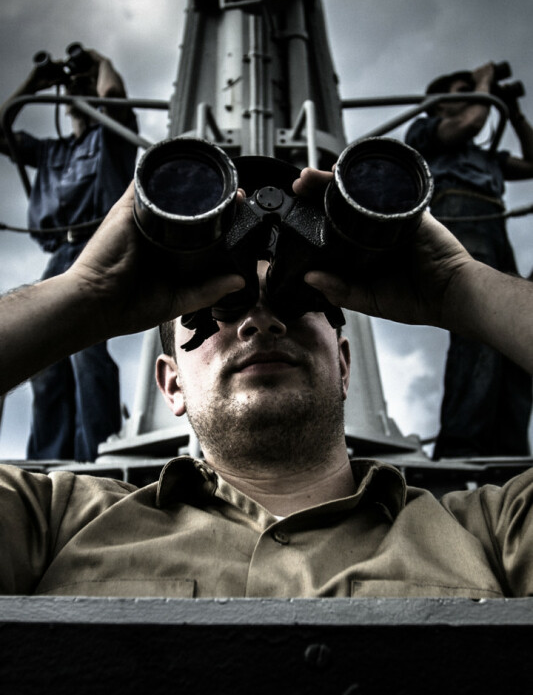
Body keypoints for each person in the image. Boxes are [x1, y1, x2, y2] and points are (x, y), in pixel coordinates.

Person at [1, 167, 533, 599]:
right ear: (171, 384)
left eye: (296, 303)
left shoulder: (491, 532)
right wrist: (87, 294)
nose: (261, 322)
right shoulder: (54, 523)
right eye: (220, 310)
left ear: (343, 365)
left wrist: (457, 285)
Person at [0, 47, 138, 462]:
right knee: (42, 355)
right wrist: (35, 84)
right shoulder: (51, 152)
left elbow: (113, 97)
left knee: (85, 350)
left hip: (98, 245)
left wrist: (100, 63)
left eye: (84, 85)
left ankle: (95, 455)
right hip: (59, 253)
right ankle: (48, 459)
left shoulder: (110, 135)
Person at [405, 62, 533, 459]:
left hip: (493, 226)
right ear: (439, 103)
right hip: (460, 219)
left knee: (513, 329)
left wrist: (514, 112)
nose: (475, 96)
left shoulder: (484, 155)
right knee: (479, 328)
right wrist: (484, 81)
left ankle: (510, 450)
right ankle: (462, 444)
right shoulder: (426, 131)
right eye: (463, 92)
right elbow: (469, 124)